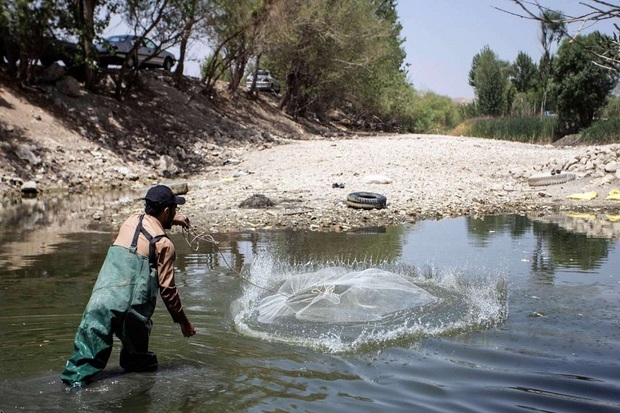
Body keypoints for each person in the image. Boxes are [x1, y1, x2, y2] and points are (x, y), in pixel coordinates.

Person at [61, 184, 197, 387]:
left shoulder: (131, 221)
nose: (176, 212)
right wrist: (184, 323)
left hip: (98, 303)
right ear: (166, 211)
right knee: (140, 363)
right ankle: (136, 396)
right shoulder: (164, 245)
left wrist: (173, 220)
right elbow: (168, 291)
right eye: (174, 210)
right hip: (131, 312)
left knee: (79, 370)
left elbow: (152, 224)